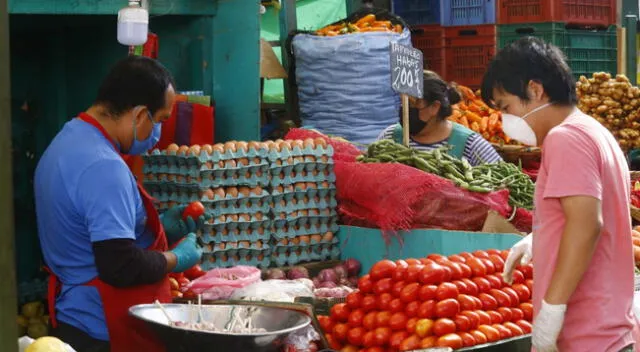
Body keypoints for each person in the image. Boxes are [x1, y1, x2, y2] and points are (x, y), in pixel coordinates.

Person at [34, 56, 206, 352]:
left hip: (73, 317)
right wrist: (178, 258)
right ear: (140, 115)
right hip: (103, 328)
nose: (158, 134)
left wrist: (159, 228)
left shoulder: (67, 141)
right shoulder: (104, 167)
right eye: (161, 120)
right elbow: (119, 265)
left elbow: (87, 232)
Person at [483, 37, 639, 352]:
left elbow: (586, 224)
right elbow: (589, 213)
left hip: (588, 333)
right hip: (608, 328)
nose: (505, 119)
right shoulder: (595, 132)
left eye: (506, 106)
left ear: (535, 90)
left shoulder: (564, 138)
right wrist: (542, 236)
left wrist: (552, 310)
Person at [377, 71, 502, 166]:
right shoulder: (390, 137)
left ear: (434, 107)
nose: (405, 109)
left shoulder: (469, 145)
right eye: (403, 102)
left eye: (412, 104)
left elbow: (502, 185)